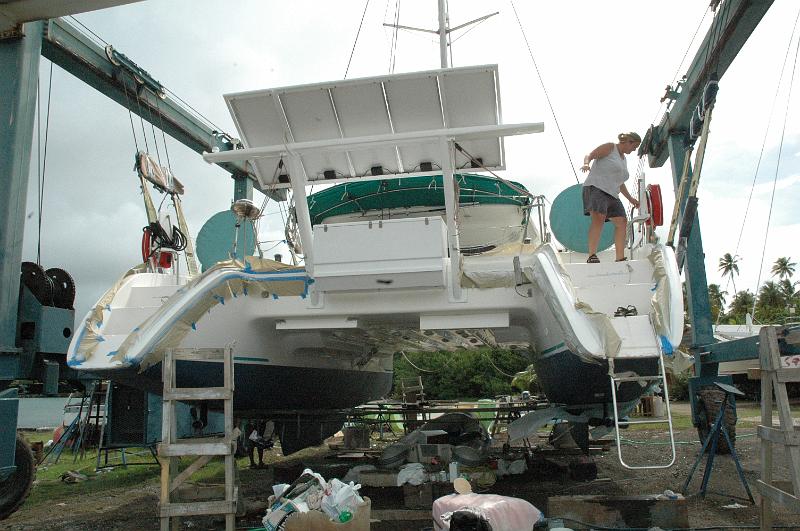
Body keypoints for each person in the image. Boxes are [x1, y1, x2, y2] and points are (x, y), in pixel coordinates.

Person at [580, 132, 641, 263]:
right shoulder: (610, 148)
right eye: (634, 147)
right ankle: (592, 255)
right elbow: (590, 155)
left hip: (612, 193)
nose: (634, 150)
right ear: (628, 142)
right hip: (596, 187)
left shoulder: (624, 159)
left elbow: (620, 182)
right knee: (599, 218)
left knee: (622, 222)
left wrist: (631, 199)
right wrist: (586, 164)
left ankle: (620, 258)